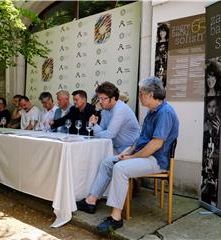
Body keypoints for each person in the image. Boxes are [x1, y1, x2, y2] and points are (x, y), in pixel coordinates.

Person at [76, 77, 179, 234]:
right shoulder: (152, 112)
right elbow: (140, 139)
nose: (139, 97)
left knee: (120, 168)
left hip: (156, 160)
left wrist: (132, 157)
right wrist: (130, 152)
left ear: (151, 94)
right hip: (143, 155)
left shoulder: (165, 112)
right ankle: (91, 200)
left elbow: (155, 144)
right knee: (107, 162)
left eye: (141, 93)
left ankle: (116, 218)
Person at [89, 82, 140, 154]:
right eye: (99, 98)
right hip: (114, 148)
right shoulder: (105, 110)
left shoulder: (120, 109)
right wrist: (94, 124)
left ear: (113, 98)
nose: (100, 102)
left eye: (103, 99)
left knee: (104, 163)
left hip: (130, 149)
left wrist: (97, 133)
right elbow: (103, 131)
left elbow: (109, 134)